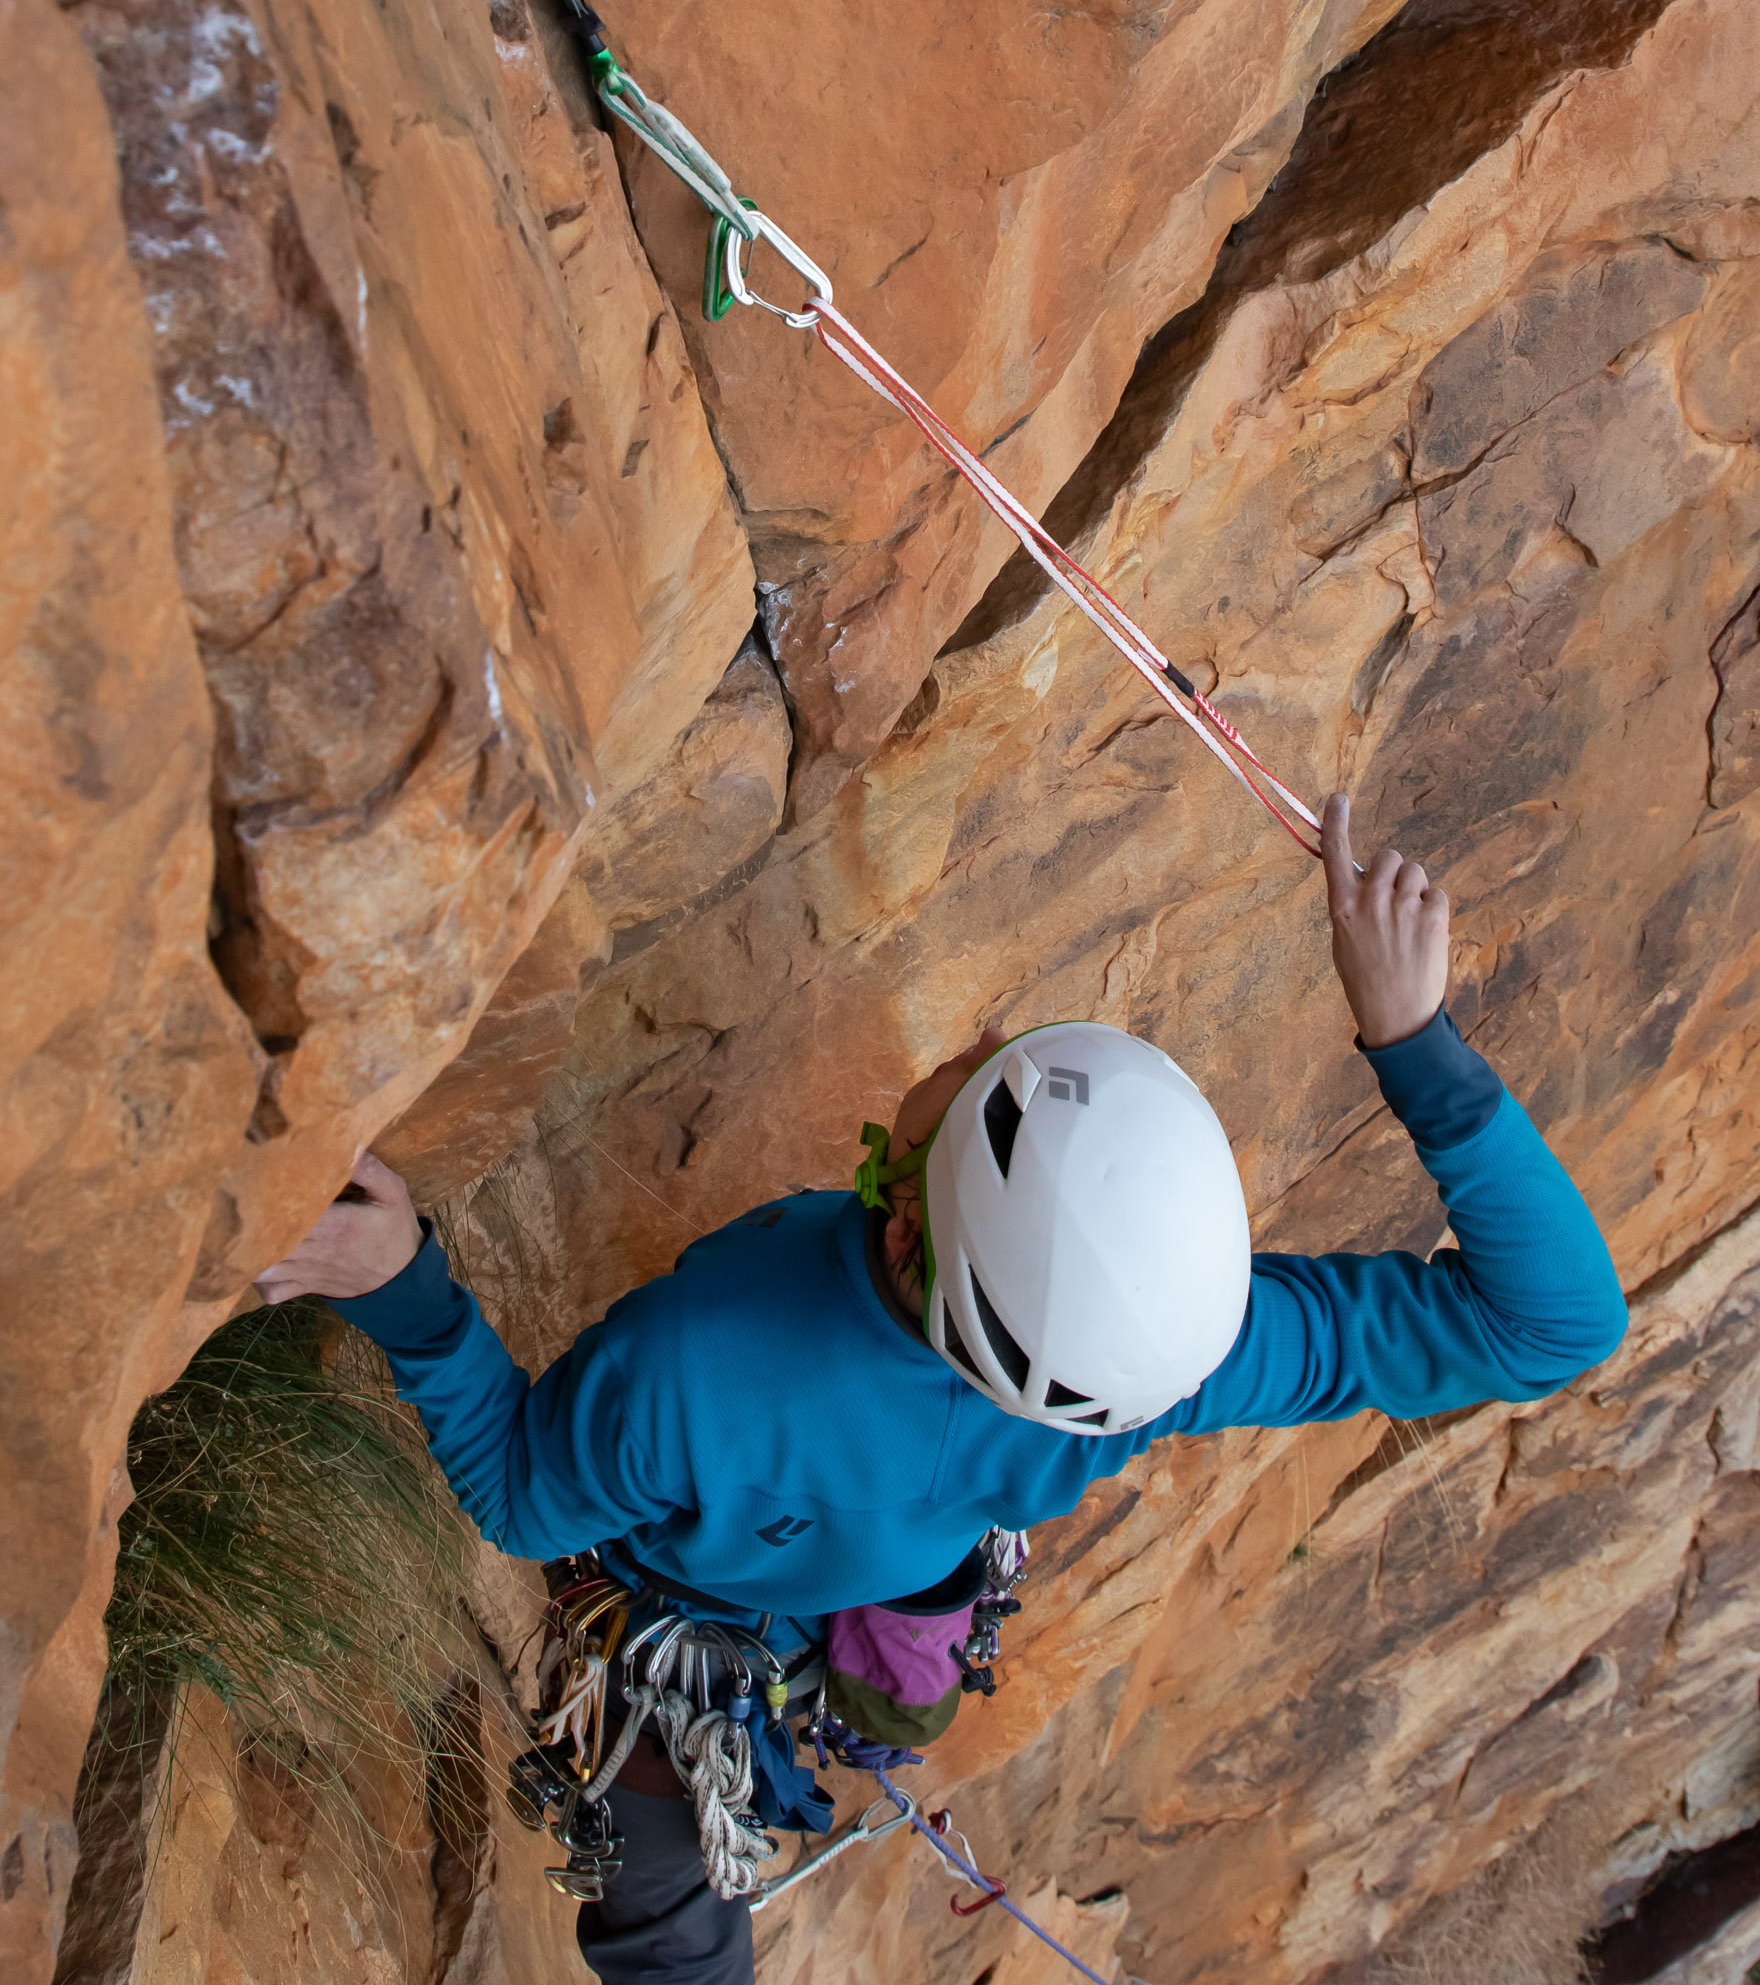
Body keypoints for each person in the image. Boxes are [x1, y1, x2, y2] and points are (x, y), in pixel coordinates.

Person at [259, 794, 1628, 1984]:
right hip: (907, 1545)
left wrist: (404, 1284)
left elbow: (521, 1499)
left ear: (905, 1226)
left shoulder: (704, 1364)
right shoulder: (1153, 1369)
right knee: (861, 1640)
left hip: (692, 1596)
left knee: (663, 1906)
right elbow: (1550, 1325)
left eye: (975, 1088)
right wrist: (1417, 1042)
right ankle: (860, 1694)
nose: (977, 1042)